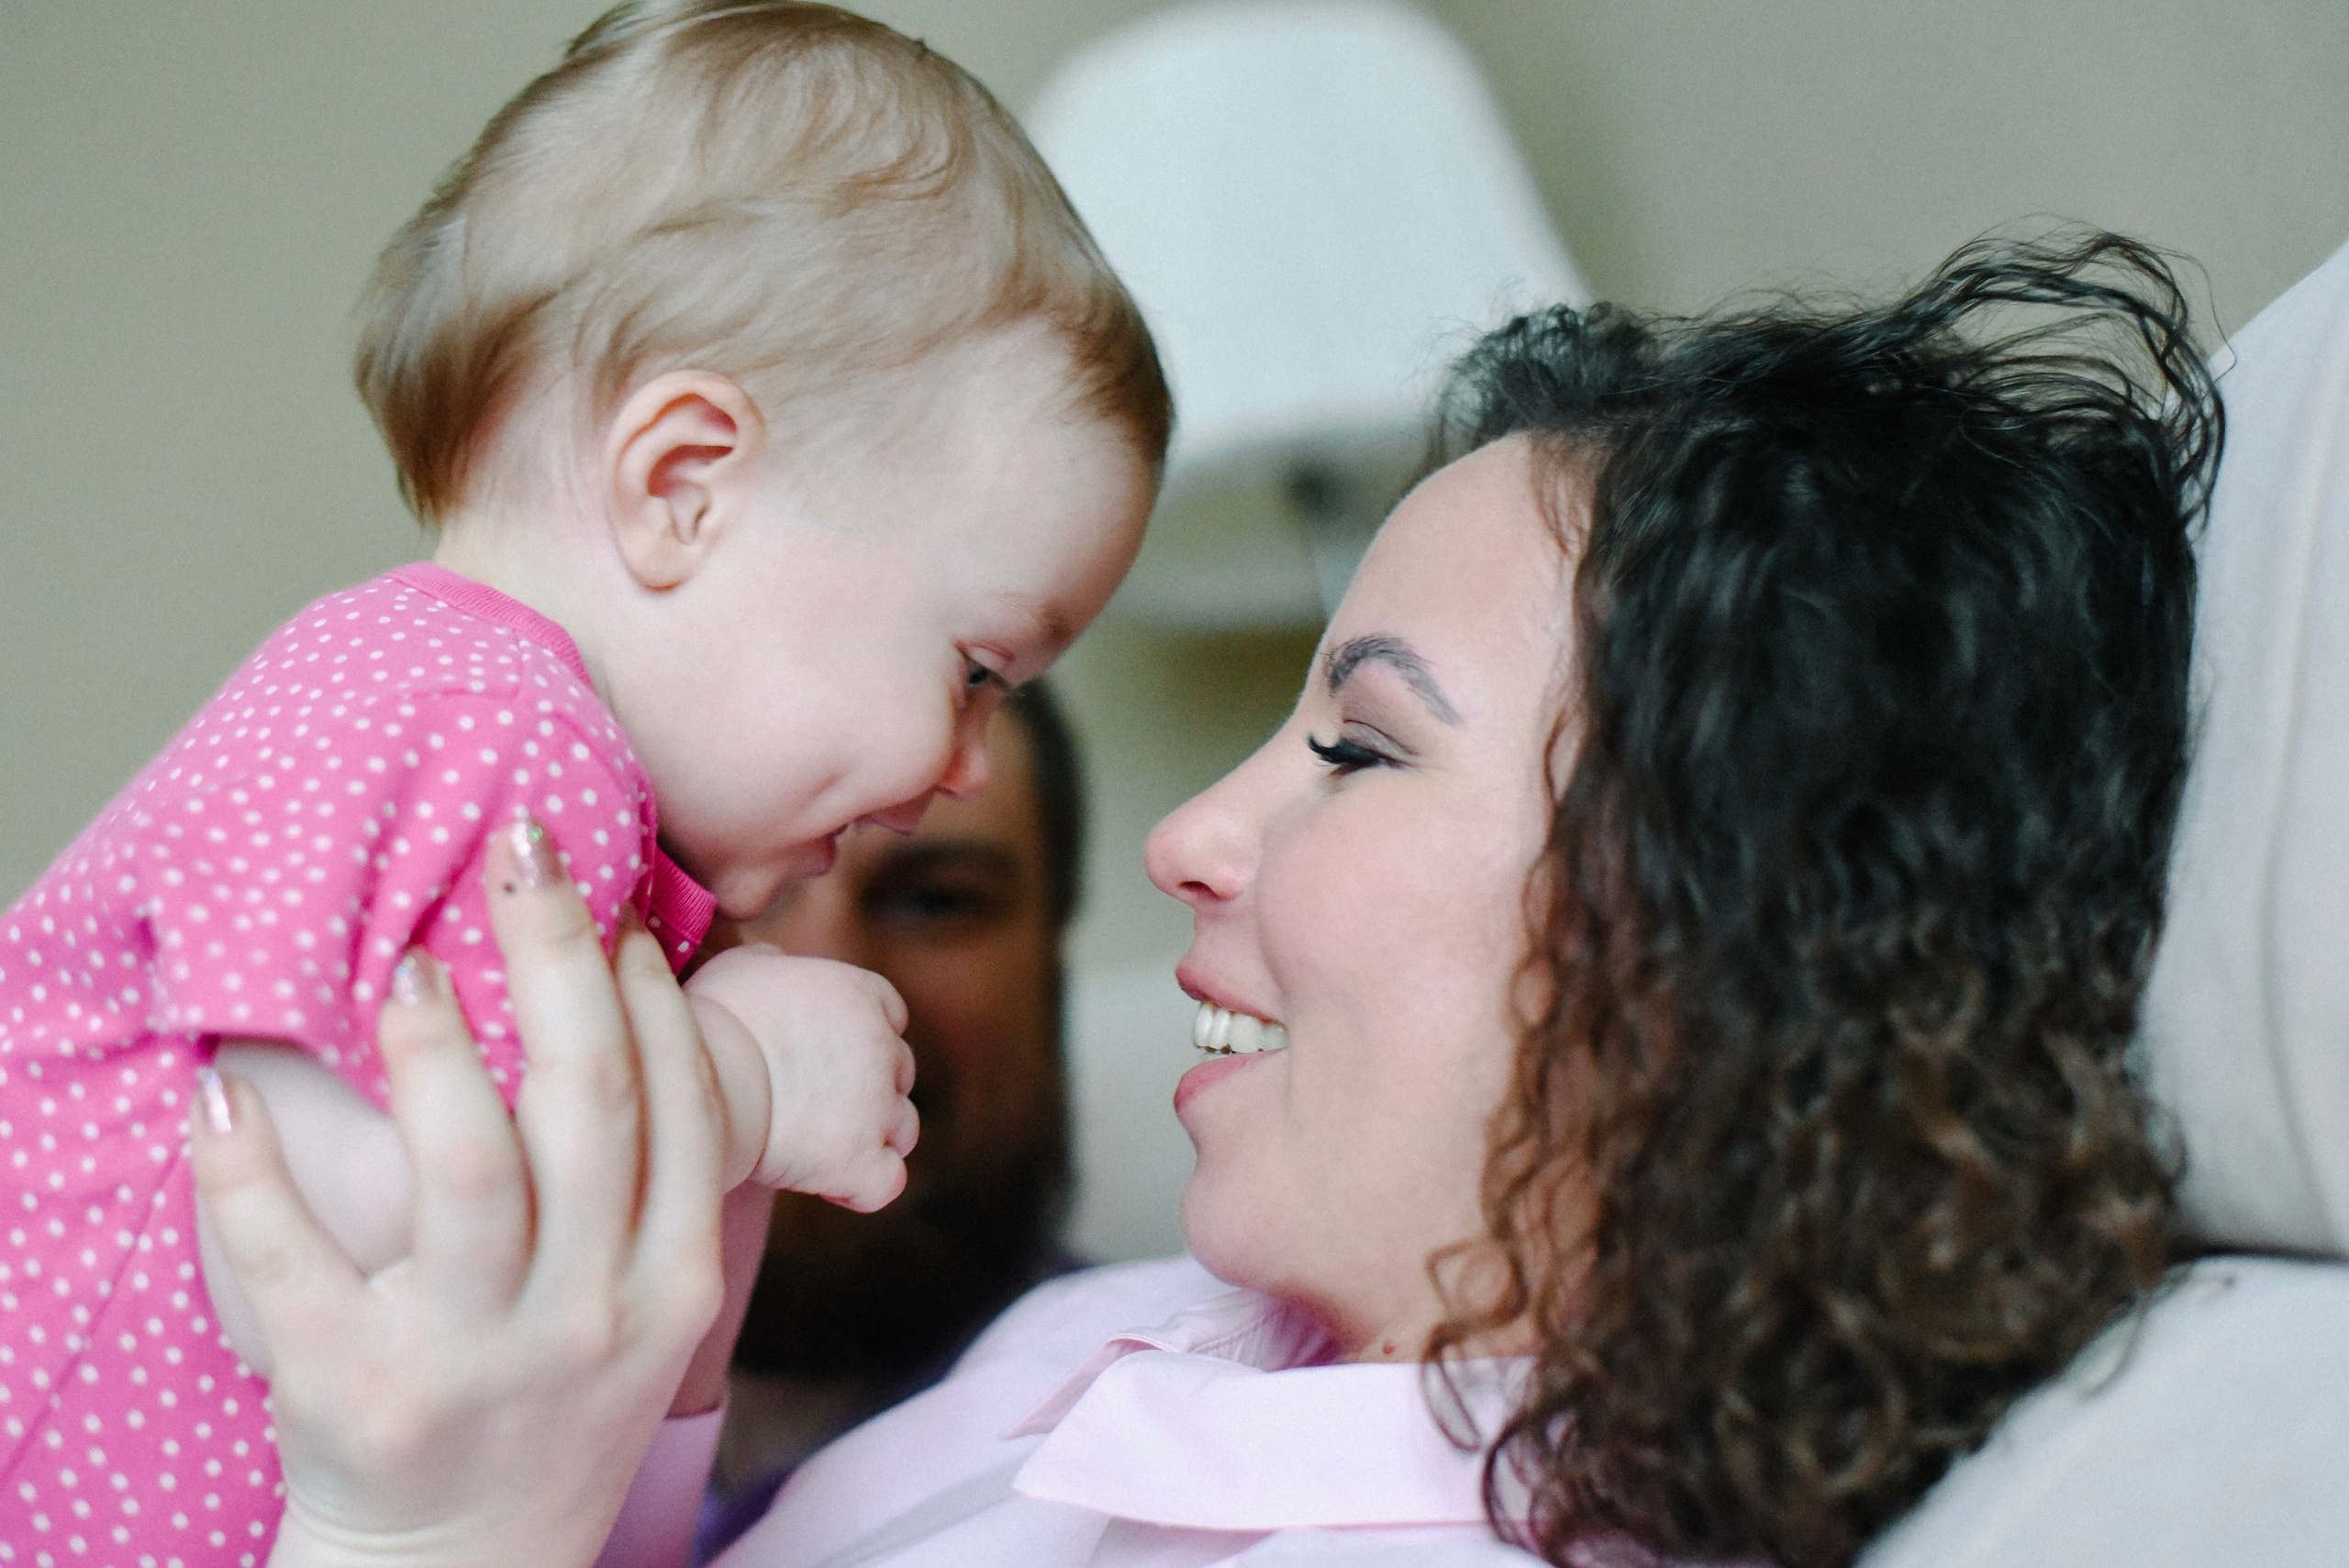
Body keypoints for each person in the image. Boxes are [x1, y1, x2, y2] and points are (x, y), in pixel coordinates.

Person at [190, 230, 2218, 1568]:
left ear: (1720, 939)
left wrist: (413, 1537)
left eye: (1361, 746)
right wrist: (655, 1325)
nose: (1188, 832)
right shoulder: (1140, 1336)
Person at [0, 5, 1164, 1560]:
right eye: (974, 666)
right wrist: (740, 1086)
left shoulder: (549, 789)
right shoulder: (483, 717)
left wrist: (719, 1181)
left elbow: (584, 1443)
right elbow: (321, 1221)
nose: (960, 766)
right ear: (684, 485)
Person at [703, 684, 1089, 1552]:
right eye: (736, 893)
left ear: (1054, 959)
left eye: (935, 901)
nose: (830, 975)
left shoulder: (1186, 1456)